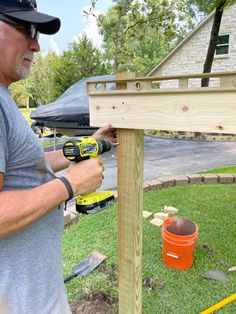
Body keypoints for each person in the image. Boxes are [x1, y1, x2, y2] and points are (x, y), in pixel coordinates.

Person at [0, 1, 116, 313]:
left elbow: (23, 163)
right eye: (26, 29)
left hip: (35, 289)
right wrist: (70, 185)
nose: (36, 44)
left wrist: (91, 143)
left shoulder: (4, 97)